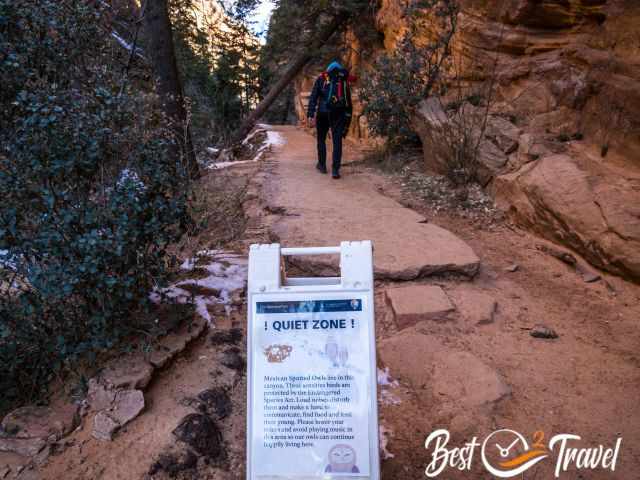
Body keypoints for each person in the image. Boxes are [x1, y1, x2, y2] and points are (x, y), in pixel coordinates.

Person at [306, 60, 353, 179]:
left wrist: (310, 114)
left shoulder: (322, 78)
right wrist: (347, 121)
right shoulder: (343, 80)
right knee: (337, 141)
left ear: (328, 70)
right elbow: (348, 102)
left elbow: (313, 97)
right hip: (339, 113)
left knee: (321, 139)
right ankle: (335, 170)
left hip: (323, 112)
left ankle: (322, 165)